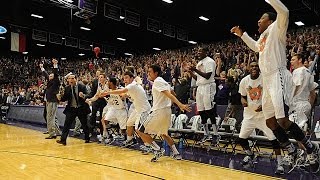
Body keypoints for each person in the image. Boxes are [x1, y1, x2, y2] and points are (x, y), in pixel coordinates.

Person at [231, 0, 319, 172]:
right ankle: (290, 150)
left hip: (278, 75)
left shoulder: (277, 29)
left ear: (270, 21)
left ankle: (311, 148)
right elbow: (256, 48)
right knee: (270, 121)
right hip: (268, 79)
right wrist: (242, 35)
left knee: (282, 120)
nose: (258, 21)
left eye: (261, 19)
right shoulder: (263, 37)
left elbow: (284, 11)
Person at [136, 65, 191, 162]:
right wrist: (171, 103)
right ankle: (176, 153)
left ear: (156, 73)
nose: (148, 73)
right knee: (164, 134)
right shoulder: (163, 81)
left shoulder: (157, 81)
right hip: (167, 111)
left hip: (159, 111)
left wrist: (180, 105)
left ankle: (157, 149)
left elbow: (169, 94)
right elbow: (173, 93)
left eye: (150, 72)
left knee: (139, 130)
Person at [238, 62, 284, 174]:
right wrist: (243, 101)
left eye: (256, 66)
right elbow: (242, 96)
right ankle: (250, 155)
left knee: (273, 139)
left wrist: (263, 106)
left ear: (259, 68)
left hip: (264, 116)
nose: (254, 67)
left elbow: (273, 95)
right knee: (241, 139)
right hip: (249, 116)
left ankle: (280, 163)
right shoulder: (244, 81)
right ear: (248, 68)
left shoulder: (265, 79)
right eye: (252, 66)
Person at [100, 71, 151, 148]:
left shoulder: (132, 85)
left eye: (126, 78)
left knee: (138, 129)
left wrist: (107, 93)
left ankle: (148, 145)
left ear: (131, 78)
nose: (125, 80)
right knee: (129, 123)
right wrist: (122, 96)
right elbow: (124, 94)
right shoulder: (131, 86)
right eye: (124, 78)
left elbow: (122, 91)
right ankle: (130, 140)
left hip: (144, 109)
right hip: (137, 108)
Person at [184, 47, 219, 143]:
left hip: (208, 86)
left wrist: (195, 69)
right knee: (201, 111)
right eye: (198, 51)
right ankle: (206, 133)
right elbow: (197, 78)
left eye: (201, 51)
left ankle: (216, 134)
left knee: (209, 110)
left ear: (206, 52)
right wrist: (191, 72)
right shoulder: (199, 63)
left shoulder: (210, 61)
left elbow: (207, 76)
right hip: (200, 87)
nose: (198, 53)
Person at [56, 74, 91, 145]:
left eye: (72, 78)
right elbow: (64, 98)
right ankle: (63, 140)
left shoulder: (82, 87)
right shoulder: (67, 88)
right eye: (69, 79)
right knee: (66, 124)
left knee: (84, 124)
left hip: (81, 108)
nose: (70, 80)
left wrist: (84, 96)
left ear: (76, 79)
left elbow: (89, 95)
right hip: (71, 108)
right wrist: (60, 98)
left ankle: (87, 138)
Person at [290, 53, 318, 129]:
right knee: (301, 130)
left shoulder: (297, 71)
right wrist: (309, 106)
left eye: (293, 60)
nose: (291, 62)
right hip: (306, 105)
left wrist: (288, 100)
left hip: (297, 105)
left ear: (300, 60)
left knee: (294, 130)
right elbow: (313, 94)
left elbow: (296, 86)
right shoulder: (309, 72)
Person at [99, 77, 128, 144]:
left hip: (122, 110)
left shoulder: (120, 89)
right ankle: (110, 136)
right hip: (114, 108)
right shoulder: (109, 90)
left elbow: (123, 95)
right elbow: (102, 96)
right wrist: (103, 95)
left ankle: (126, 139)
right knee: (104, 120)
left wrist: (122, 96)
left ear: (111, 83)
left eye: (108, 82)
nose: (107, 83)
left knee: (123, 129)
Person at [40, 59, 61, 139]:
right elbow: (46, 75)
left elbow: (55, 74)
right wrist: (42, 68)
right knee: (52, 117)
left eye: (51, 76)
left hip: (52, 101)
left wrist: (55, 65)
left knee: (50, 117)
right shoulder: (50, 82)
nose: (49, 77)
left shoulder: (56, 81)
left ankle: (52, 133)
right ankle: (56, 131)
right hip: (49, 101)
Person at [86, 72, 109, 143]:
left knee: (105, 119)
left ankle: (107, 134)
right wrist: (90, 99)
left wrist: (100, 95)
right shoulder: (99, 85)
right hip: (106, 103)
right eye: (99, 77)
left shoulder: (108, 85)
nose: (100, 78)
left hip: (109, 103)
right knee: (102, 119)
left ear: (105, 78)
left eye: (101, 77)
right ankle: (103, 134)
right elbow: (96, 95)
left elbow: (102, 95)